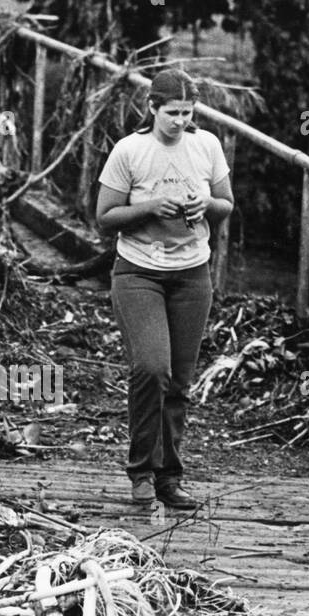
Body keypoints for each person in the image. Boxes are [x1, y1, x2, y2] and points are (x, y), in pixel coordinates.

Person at [95, 68, 234, 509]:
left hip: (192, 273)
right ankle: (139, 470)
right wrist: (151, 206)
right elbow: (104, 216)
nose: (179, 121)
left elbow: (226, 204)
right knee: (151, 367)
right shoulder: (130, 150)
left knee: (179, 380)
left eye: (187, 112)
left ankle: (168, 477)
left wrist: (206, 205)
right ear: (152, 107)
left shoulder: (206, 145)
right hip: (138, 271)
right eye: (171, 112)